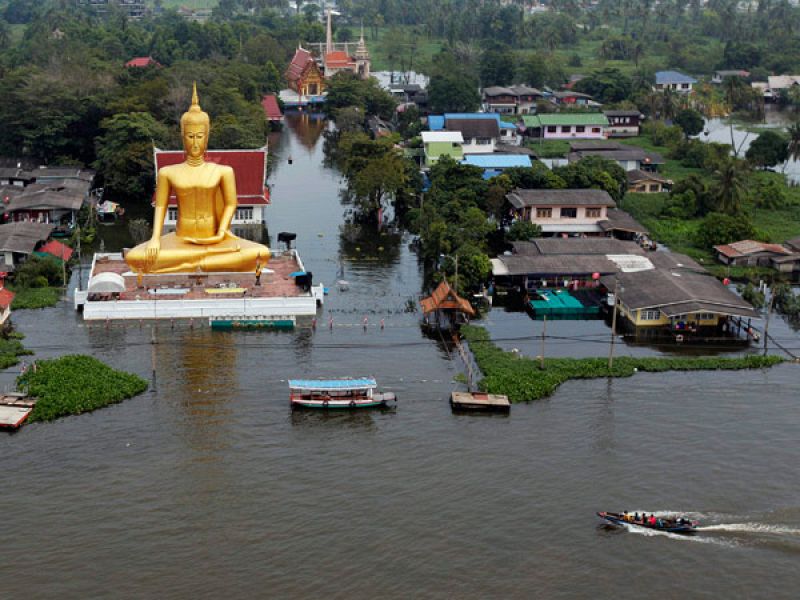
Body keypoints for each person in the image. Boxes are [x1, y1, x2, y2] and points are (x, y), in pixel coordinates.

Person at [125, 84, 270, 275]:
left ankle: (191, 265)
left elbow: (230, 204)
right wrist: (155, 238)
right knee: (135, 258)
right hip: (181, 239)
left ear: (207, 137)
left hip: (215, 239)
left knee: (261, 252)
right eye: (190, 136)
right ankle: (202, 263)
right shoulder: (168, 172)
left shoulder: (223, 171)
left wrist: (221, 231)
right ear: (183, 137)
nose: (195, 142)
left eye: (199, 136)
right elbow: (160, 206)